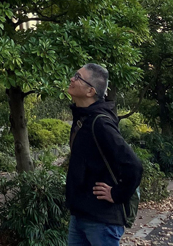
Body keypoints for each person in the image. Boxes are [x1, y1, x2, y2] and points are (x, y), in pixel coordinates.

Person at [65, 62, 143, 246]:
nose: (71, 79)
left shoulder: (100, 123)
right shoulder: (83, 118)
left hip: (102, 220)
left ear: (90, 91)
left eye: (77, 77)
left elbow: (134, 166)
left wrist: (117, 194)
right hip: (80, 214)